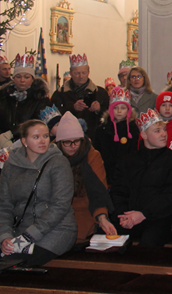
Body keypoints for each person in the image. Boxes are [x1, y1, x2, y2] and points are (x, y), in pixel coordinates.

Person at [0, 120, 77, 266]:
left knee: (20, 264)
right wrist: (5, 236)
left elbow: (60, 205)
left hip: (56, 229)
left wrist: (29, 236)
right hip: (20, 230)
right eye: (36, 137)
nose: (42, 141)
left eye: (46, 136)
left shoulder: (58, 162)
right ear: (24, 141)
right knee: (8, 262)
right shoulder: (11, 164)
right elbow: (4, 205)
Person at [110, 109, 172, 246]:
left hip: (160, 219)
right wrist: (123, 216)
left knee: (148, 245)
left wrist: (143, 214)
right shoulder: (127, 162)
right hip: (128, 217)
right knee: (105, 241)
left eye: (164, 130)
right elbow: (118, 192)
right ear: (144, 135)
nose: (163, 134)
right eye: (157, 131)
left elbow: (171, 195)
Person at [54, 112, 115, 243]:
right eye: (67, 142)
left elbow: (98, 191)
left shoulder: (92, 156)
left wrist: (102, 217)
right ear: (59, 143)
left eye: (76, 141)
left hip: (85, 211)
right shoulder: (51, 157)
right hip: (56, 213)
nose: (73, 146)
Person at [51, 53, 109, 139]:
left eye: (84, 73)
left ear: (88, 72)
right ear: (71, 73)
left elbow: (110, 113)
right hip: (68, 137)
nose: (81, 76)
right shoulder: (60, 93)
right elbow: (52, 116)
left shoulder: (100, 92)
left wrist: (99, 109)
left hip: (94, 137)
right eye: (77, 73)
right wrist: (72, 108)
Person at [92, 86, 140, 182]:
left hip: (128, 174)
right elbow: (97, 151)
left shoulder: (133, 129)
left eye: (123, 108)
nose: (119, 111)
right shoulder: (102, 129)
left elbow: (136, 152)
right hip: (107, 173)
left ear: (128, 110)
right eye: (115, 108)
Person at [0, 53, 51, 139]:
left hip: (28, 139)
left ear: (32, 79)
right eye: (18, 77)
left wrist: (11, 134)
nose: (22, 80)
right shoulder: (3, 95)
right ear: (14, 78)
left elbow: (36, 123)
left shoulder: (40, 97)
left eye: (26, 77)